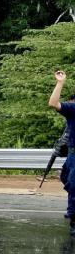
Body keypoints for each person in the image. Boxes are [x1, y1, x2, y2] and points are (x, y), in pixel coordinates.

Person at [47, 70, 75, 236]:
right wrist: (60, 83)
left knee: (74, 184)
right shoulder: (73, 109)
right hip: (73, 154)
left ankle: (73, 217)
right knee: (67, 179)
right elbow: (53, 103)